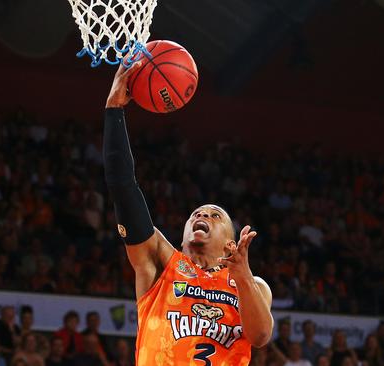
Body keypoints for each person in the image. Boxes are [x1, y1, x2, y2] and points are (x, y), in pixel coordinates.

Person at [101, 64, 274, 365]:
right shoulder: (160, 261)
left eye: (214, 216)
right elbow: (123, 189)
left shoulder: (253, 285)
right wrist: (114, 111)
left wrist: (242, 274)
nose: (202, 216)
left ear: (230, 243)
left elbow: (260, 337)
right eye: (196, 214)